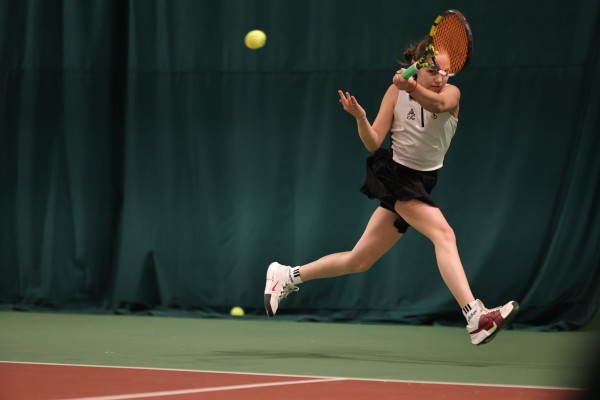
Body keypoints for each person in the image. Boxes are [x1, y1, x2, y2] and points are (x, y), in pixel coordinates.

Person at [263, 37, 519, 345]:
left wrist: (411, 86)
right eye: (433, 71)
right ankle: (475, 317)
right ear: (417, 66)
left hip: (423, 180)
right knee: (444, 235)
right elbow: (373, 141)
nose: (440, 78)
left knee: (358, 260)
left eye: (446, 72)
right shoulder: (395, 93)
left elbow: (437, 105)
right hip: (398, 176)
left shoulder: (451, 94)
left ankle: (286, 275)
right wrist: (361, 118)